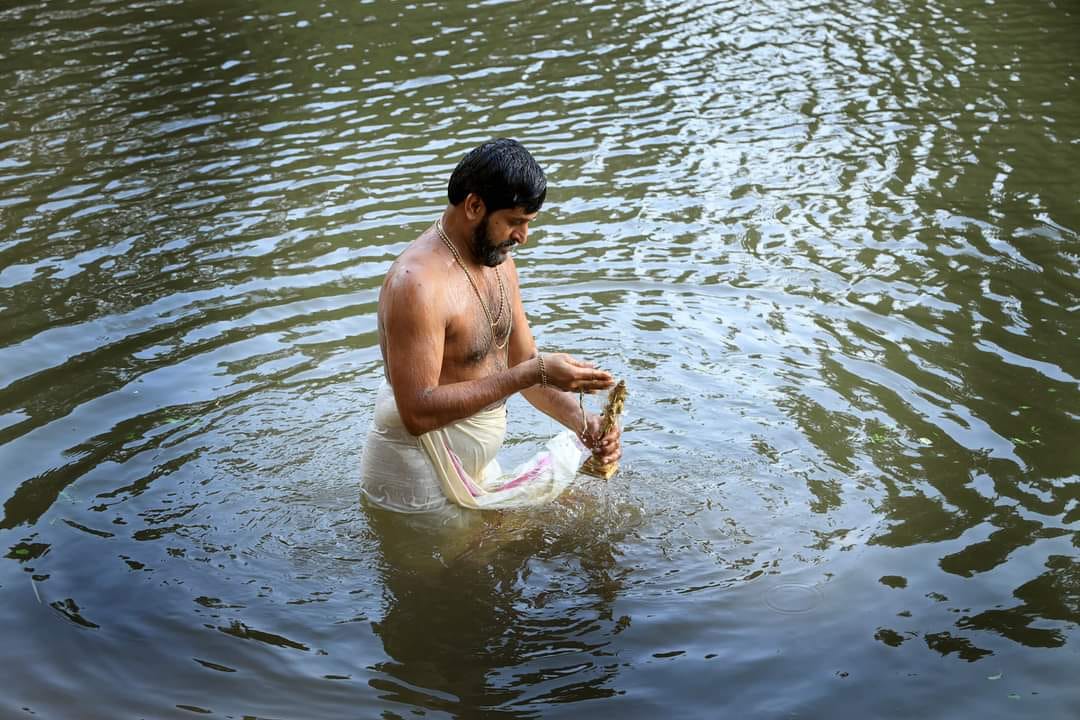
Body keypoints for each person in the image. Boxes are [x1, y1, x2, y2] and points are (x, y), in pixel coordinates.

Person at [360, 138, 622, 518]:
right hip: (416, 473)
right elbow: (417, 413)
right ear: (474, 206)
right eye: (514, 222)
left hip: (476, 466)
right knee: (478, 571)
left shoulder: (499, 262)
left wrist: (586, 424)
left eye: (527, 223)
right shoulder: (416, 284)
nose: (522, 237)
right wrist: (529, 373)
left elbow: (527, 365)